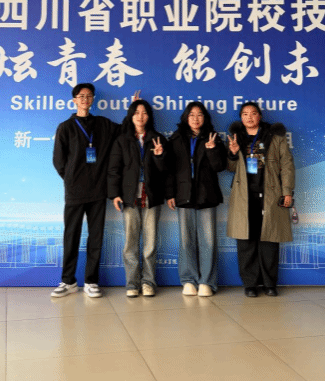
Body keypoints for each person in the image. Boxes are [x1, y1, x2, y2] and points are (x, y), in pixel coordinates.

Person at [51, 83, 121, 298]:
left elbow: (125, 130)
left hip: (98, 189)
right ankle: (68, 281)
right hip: (75, 191)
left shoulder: (103, 124)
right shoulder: (65, 127)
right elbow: (58, 160)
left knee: (96, 237)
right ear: (74, 100)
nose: (85, 99)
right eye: (81, 96)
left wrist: (134, 109)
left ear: (93, 100)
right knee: (71, 236)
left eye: (89, 96)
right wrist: (71, 179)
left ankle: (91, 281)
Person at [226, 102, 295, 297]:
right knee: (246, 241)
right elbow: (230, 168)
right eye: (245, 114)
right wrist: (232, 153)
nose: (249, 117)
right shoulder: (236, 137)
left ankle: (269, 284)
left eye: (253, 113)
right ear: (241, 118)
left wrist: (287, 191)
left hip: (270, 195)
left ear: (260, 116)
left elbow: (287, 165)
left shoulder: (275, 137)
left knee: (269, 240)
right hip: (244, 195)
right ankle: (250, 284)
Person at [166, 102, 227, 297]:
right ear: (186, 117)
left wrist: (212, 150)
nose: (195, 118)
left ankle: (207, 282)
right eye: (191, 115)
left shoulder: (213, 137)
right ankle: (188, 280)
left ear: (205, 118)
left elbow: (220, 166)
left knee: (208, 241)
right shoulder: (176, 138)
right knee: (186, 240)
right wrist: (170, 194)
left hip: (206, 194)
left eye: (199, 115)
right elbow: (169, 170)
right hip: (183, 194)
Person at [108, 100, 168, 298]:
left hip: (152, 193)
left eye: (144, 113)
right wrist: (115, 194)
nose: (140, 116)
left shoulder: (158, 139)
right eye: (136, 112)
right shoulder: (122, 139)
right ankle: (132, 283)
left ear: (149, 116)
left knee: (150, 243)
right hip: (129, 194)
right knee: (130, 242)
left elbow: (166, 171)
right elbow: (114, 169)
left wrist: (159, 156)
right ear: (131, 116)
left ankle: (148, 282)